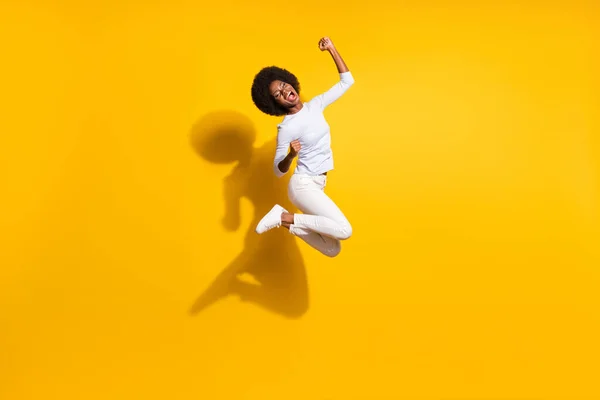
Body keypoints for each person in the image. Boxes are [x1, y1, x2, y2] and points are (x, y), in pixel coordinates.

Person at [250, 36, 355, 257]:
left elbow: (347, 82)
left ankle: (283, 217)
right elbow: (277, 171)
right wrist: (290, 155)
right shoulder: (286, 127)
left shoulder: (315, 105)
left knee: (332, 248)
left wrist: (332, 49)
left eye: (283, 85)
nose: (284, 91)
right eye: (277, 94)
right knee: (344, 230)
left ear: (290, 82)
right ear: (275, 103)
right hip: (303, 185)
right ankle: (282, 217)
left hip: (318, 184)